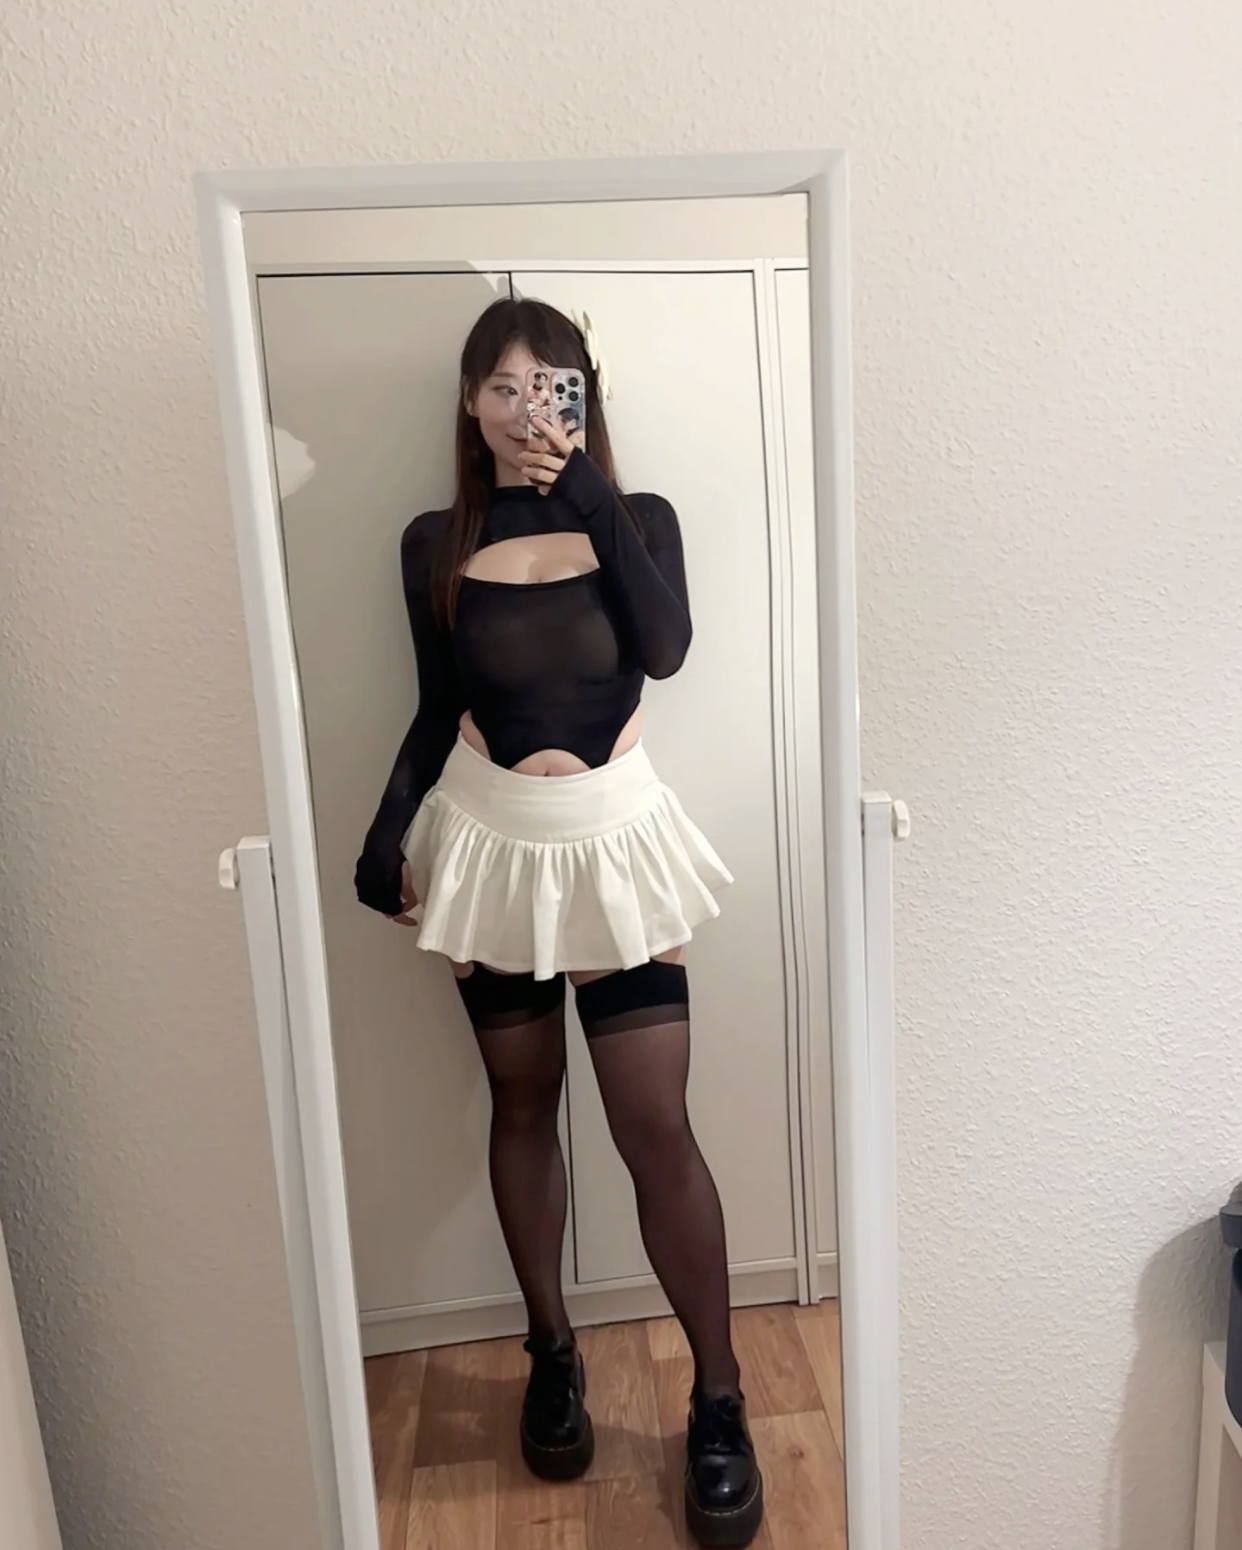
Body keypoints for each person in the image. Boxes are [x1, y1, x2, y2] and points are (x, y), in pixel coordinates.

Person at [354, 297, 764, 1547]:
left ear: (585, 395)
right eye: (504, 384)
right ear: (469, 401)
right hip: (488, 844)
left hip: (613, 843)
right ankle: (551, 1350)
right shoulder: (433, 541)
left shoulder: (638, 518)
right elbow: (436, 706)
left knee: (656, 1125)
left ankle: (720, 1395)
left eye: (552, 384)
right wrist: (384, 832)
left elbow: (669, 648)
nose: (526, 405)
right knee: (522, 1103)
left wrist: (584, 491)